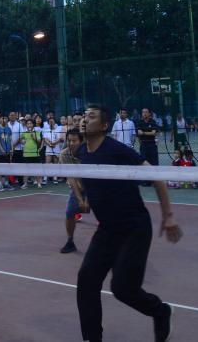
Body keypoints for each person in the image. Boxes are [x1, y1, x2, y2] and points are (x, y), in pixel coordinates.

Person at [75, 105, 181, 342]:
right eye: (83, 116)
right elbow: (93, 179)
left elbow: (156, 177)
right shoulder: (82, 151)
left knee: (123, 289)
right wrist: (88, 199)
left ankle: (160, 311)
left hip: (134, 227)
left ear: (104, 126)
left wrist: (168, 215)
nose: (84, 120)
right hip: (107, 229)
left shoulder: (117, 149)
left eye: (91, 117)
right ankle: (92, 338)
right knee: (87, 280)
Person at [59, 128, 85, 253]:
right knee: (69, 212)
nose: (71, 143)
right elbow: (71, 178)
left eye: (74, 141)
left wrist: (88, 200)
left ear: (81, 141)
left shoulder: (88, 152)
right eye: (69, 141)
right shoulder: (64, 154)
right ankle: (70, 241)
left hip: (96, 186)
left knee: (104, 213)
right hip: (77, 186)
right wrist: (80, 199)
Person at [21, 118, 44, 187]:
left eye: (30, 123)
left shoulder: (37, 132)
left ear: (33, 125)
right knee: (26, 169)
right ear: (26, 125)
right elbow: (21, 140)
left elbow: (39, 142)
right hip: (26, 153)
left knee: (37, 169)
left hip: (35, 153)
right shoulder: (24, 133)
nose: (29, 125)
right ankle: (25, 183)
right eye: (28, 124)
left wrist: (33, 136)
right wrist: (22, 141)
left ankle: (39, 183)